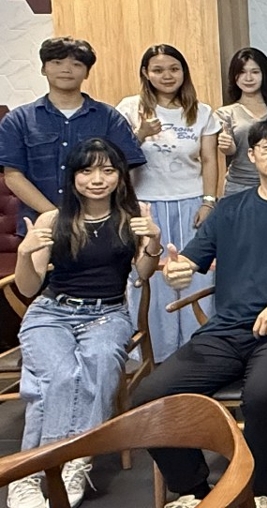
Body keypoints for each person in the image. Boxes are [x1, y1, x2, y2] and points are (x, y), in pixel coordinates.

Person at [131, 116, 267, 508]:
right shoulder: (230, 208)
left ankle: (261, 491)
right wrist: (178, 272)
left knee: (262, 394)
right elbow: (189, 263)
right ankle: (194, 490)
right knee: (150, 394)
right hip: (226, 331)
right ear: (252, 155)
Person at [7, 138, 162, 508]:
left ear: (120, 176)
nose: (97, 179)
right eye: (87, 170)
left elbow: (142, 275)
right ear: (73, 176)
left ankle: (61, 465)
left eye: (107, 171)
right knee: (60, 377)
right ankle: (37, 473)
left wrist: (153, 242)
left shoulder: (134, 215)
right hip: (51, 313)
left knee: (101, 366)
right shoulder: (52, 220)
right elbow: (27, 287)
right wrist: (25, 254)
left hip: (107, 314)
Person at [116, 44, 222, 362]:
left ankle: (197, 350)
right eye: (158, 70)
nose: (167, 75)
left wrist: (209, 201)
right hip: (145, 206)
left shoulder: (201, 112)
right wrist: (139, 134)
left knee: (196, 273)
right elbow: (114, 158)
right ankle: (153, 354)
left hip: (191, 203)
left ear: (183, 72)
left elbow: (209, 160)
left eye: (174, 69)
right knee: (147, 277)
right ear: (146, 73)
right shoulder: (129, 108)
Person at [0, 37, 145, 230]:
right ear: (43, 68)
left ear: (87, 72)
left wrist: (98, 213)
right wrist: (55, 217)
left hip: (100, 224)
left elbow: (126, 170)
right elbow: (13, 176)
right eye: (57, 62)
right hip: (39, 225)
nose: (66, 70)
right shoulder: (18, 120)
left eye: (76, 64)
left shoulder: (109, 117)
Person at [216, 47, 267, 196]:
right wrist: (227, 146)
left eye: (255, 72)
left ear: (265, 75)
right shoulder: (225, 113)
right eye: (242, 72)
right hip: (239, 186)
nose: (248, 78)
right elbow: (229, 151)